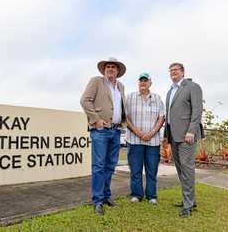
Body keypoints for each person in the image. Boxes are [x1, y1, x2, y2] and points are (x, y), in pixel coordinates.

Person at [80, 57, 126, 216]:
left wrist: (122, 123)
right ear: (104, 69)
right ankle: (97, 201)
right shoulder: (96, 81)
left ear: (118, 71)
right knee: (99, 166)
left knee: (110, 166)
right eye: (108, 66)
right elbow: (85, 101)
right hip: (100, 131)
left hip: (116, 131)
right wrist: (96, 120)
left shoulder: (120, 86)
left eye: (114, 67)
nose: (111, 69)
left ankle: (106, 196)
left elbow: (119, 107)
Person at [164, 62, 203, 217]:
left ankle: (188, 206)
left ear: (183, 72)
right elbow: (169, 116)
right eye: (170, 71)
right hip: (173, 136)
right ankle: (189, 200)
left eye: (175, 70)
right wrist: (166, 135)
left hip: (187, 135)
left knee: (187, 168)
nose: (173, 72)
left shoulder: (192, 87)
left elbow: (197, 110)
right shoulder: (170, 91)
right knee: (181, 170)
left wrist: (191, 131)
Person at [126, 73, 165, 205]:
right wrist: (139, 133)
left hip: (152, 142)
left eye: (146, 80)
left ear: (150, 83)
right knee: (135, 170)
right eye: (141, 80)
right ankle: (137, 195)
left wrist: (152, 133)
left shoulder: (157, 98)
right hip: (134, 140)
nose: (143, 83)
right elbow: (126, 118)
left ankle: (151, 196)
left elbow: (161, 118)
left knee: (152, 170)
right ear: (138, 83)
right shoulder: (130, 98)